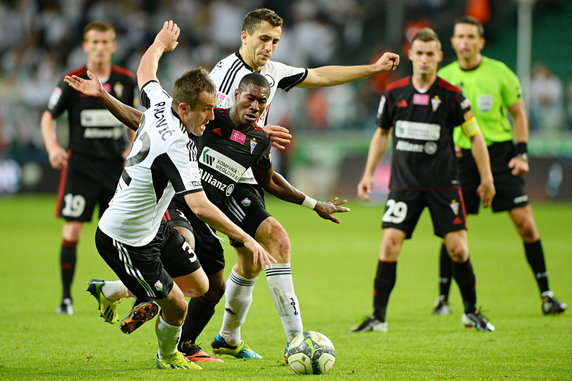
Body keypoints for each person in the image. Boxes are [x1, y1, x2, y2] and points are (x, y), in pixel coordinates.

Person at [65, 70, 349, 363]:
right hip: (177, 205)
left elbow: (270, 180)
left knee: (211, 287)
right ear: (236, 96)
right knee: (183, 244)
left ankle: (171, 328)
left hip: (208, 215)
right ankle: (152, 306)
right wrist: (104, 95)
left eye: (262, 102)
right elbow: (144, 119)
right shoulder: (205, 119)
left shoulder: (258, 141)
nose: (255, 106)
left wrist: (314, 204)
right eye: (250, 98)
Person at [204, 7, 399, 358]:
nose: (269, 47)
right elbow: (211, 126)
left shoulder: (274, 71)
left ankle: (228, 338)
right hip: (216, 174)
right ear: (244, 36)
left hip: (246, 174)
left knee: (250, 261)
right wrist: (260, 131)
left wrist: (372, 69)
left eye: (275, 41)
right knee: (267, 243)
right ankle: (297, 341)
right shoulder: (226, 72)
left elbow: (321, 76)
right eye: (263, 39)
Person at [92, 20, 273, 370]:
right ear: (185, 108)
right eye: (206, 109)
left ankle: (112, 289)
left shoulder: (161, 103)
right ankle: (168, 357)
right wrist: (247, 240)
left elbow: (146, 71)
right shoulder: (177, 144)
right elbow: (199, 205)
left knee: (201, 284)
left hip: (152, 225)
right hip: (124, 237)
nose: (212, 115)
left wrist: (160, 42)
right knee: (177, 305)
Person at [350, 27, 496, 333]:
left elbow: (476, 137)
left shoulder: (452, 95)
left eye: (431, 54)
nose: (425, 59)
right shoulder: (394, 93)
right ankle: (378, 318)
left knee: (458, 248)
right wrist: (368, 175)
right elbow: (381, 134)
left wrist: (487, 179)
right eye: (420, 54)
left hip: (444, 185)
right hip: (404, 186)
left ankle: (471, 312)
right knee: (389, 244)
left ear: (440, 57)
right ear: (410, 55)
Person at [432, 16, 566, 316]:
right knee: (453, 230)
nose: (465, 41)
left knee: (527, 226)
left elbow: (519, 115)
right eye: (460, 36)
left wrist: (522, 154)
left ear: (481, 41)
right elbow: (437, 120)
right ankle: (442, 299)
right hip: (462, 160)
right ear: (452, 42)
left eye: (471, 36)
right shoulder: (445, 77)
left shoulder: (500, 73)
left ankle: (546, 294)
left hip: (501, 157)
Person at [40, 21, 136, 315]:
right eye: (94, 42)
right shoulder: (72, 80)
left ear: (113, 46)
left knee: (122, 235)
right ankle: (66, 299)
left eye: (105, 42)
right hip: (80, 166)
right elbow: (48, 117)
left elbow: (135, 117)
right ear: (85, 46)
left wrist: (132, 146)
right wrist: (54, 148)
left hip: (113, 168)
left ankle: (120, 289)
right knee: (72, 231)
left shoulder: (125, 80)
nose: (99, 47)